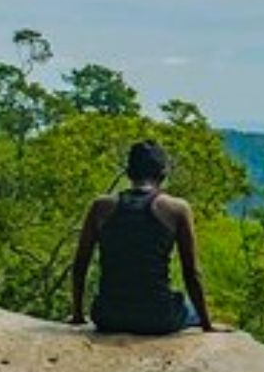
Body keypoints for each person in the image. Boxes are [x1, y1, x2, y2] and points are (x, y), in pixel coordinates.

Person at [70, 140, 221, 334]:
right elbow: (191, 273)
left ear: (129, 173)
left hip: (108, 316)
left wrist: (78, 315)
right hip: (158, 317)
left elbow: (80, 265)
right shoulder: (177, 209)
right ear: (163, 174)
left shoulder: (100, 207)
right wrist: (207, 324)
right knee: (188, 309)